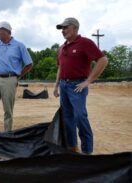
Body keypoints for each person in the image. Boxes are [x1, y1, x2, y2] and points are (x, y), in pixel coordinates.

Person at [53, 17, 108, 154]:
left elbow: (102, 60)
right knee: (68, 118)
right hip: (64, 86)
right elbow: (60, 68)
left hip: (77, 86)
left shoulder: (85, 43)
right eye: (62, 28)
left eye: (66, 27)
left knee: (80, 117)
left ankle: (87, 151)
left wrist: (88, 81)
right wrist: (56, 86)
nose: (63, 31)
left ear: (75, 28)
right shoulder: (61, 48)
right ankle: (72, 148)